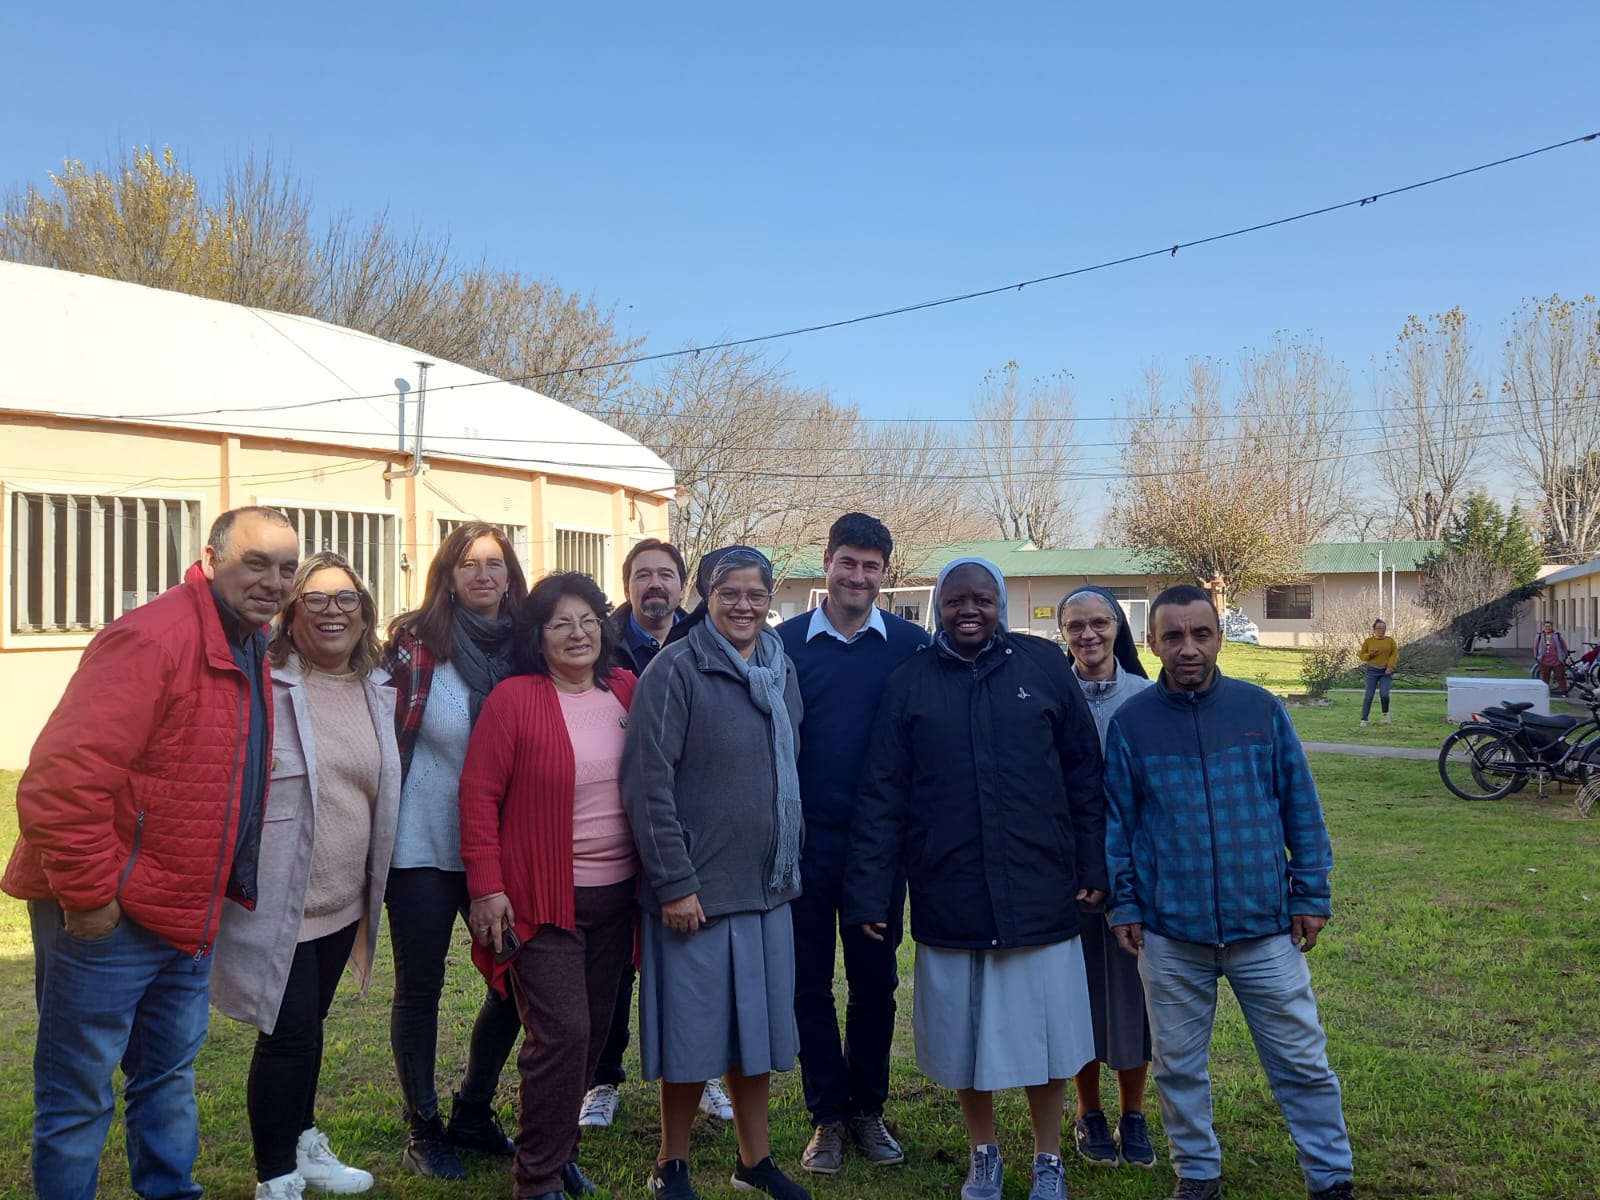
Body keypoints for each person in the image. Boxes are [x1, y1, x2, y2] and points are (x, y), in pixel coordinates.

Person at [3, 505, 300, 1200]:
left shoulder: (248, 639)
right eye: (256, 563)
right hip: (111, 915)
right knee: (78, 1096)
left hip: (185, 911)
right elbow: (60, 783)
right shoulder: (153, 638)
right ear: (211, 559)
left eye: (286, 569)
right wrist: (90, 898)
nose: (273, 582)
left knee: (167, 1078)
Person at [846, 558, 1106, 1200]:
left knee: (1047, 1036)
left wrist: (1093, 863)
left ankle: (1048, 1156)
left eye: (982, 599)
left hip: (1039, 886)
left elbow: (1084, 775)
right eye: (956, 599)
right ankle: (983, 1151)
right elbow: (883, 796)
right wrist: (871, 890)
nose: (969, 610)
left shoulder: (1043, 667)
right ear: (938, 606)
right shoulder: (910, 682)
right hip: (951, 887)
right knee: (965, 1036)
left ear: (1000, 604)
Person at [1103, 584, 1355, 1200]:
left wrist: (1310, 893)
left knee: (1302, 1063)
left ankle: (1330, 1180)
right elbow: (1119, 824)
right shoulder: (1132, 724)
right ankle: (1197, 1176)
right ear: (1153, 643)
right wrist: (1125, 902)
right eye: (1173, 636)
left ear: (1219, 637)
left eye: (1201, 634)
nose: (1188, 648)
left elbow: (1301, 805)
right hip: (1171, 933)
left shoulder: (1260, 710)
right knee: (1178, 1068)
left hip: (1264, 928)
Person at [622, 546, 811, 1200]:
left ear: (770, 598)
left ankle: (754, 1161)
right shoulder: (675, 669)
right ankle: (670, 1162)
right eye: (729, 593)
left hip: (766, 890)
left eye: (756, 594)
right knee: (691, 1036)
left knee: (753, 1036)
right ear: (705, 597)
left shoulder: (780, 668)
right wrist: (674, 882)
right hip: (696, 894)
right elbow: (648, 784)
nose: (743, 605)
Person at [211, 552, 401, 1199]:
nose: (331, 611)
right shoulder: (264, 684)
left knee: (309, 1028)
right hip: (279, 899)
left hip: (343, 898)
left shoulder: (376, 688)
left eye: (345, 599)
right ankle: (276, 1179)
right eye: (314, 599)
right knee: (287, 1034)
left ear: (364, 615)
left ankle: (303, 1140)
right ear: (291, 616)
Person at [459, 572, 640, 1200]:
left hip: (617, 902)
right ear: (537, 636)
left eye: (588, 619)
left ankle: (561, 1156)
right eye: (560, 622)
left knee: (590, 1036)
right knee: (561, 1035)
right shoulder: (514, 700)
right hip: (542, 903)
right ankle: (535, 1180)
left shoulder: (626, 689)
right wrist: (486, 889)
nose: (577, 632)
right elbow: (478, 798)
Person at [775, 514, 929, 1175]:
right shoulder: (783, 645)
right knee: (806, 984)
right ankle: (827, 1118)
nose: (858, 576)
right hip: (802, 844)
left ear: (885, 573)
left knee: (874, 983)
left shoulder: (911, 646)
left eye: (871, 566)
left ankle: (867, 1109)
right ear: (827, 562)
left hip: (879, 849)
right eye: (848, 562)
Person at [382, 523, 529, 1178]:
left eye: (495, 563)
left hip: (500, 849)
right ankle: (423, 1129)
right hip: (422, 847)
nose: (483, 574)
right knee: (421, 988)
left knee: (520, 980)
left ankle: (473, 1110)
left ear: (510, 575)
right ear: (447, 575)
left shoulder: (528, 647)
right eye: (468, 563)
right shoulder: (417, 644)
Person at [582, 538, 735, 1128]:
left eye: (665, 574)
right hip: (613, 826)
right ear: (627, 585)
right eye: (642, 574)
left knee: (693, 960)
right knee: (612, 965)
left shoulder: (708, 639)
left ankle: (703, 1073)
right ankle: (602, 1078)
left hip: (689, 829)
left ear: (681, 585)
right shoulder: (602, 644)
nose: (654, 584)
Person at [1055, 587, 1157, 1170]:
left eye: (1100, 623)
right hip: (1068, 875)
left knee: (1132, 997)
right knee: (1080, 995)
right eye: (1076, 626)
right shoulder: (1051, 694)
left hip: (1134, 876)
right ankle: (1088, 1111)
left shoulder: (1146, 698)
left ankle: (1133, 1113)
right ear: (1063, 633)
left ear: (1118, 627)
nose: (1089, 634)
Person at [1357, 619, 1398, 727]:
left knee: (1384, 694)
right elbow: (1362, 656)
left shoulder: (1390, 641)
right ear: (1374, 630)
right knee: (1369, 695)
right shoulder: (1368, 641)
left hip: (1386, 672)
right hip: (1372, 671)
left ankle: (1386, 714)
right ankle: (1364, 719)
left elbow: (1394, 654)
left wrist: (1390, 667)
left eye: (1383, 628)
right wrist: (1370, 655)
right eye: (1379, 628)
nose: (1381, 631)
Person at [1534, 620, 1569, 695]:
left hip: (1557, 661)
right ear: (1543, 627)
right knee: (1545, 678)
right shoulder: (1540, 636)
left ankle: (1564, 692)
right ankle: (1544, 692)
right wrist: (1537, 657)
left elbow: (1564, 647)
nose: (1547, 628)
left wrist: (1564, 656)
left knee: (1560, 677)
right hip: (1544, 661)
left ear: (1552, 627)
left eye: (1549, 626)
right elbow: (1535, 647)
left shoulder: (1557, 636)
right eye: (1546, 626)